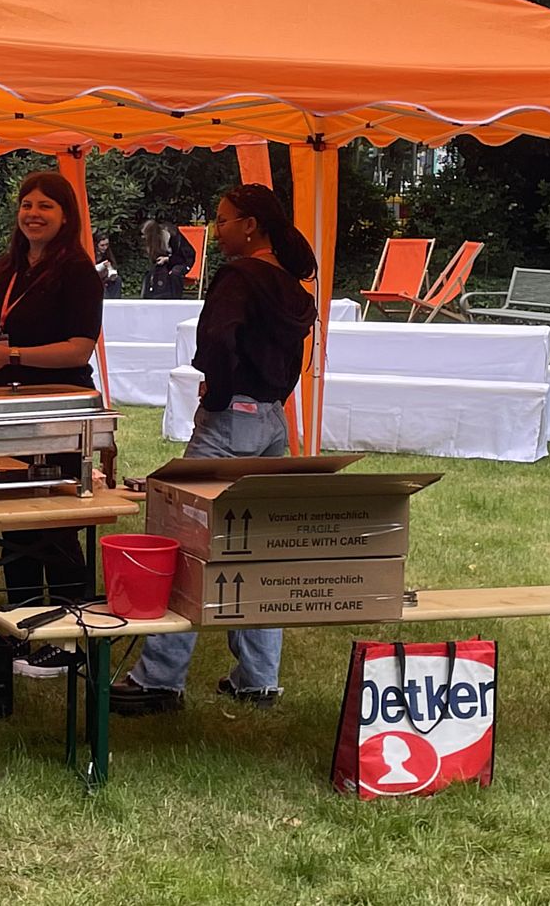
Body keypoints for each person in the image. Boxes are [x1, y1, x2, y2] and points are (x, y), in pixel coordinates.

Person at [113, 184, 318, 716]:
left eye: (225, 220)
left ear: (251, 225)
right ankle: (258, 678)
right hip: (273, 419)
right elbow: (292, 361)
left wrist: (220, 393)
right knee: (259, 548)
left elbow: (216, 342)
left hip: (231, 421)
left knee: (180, 543)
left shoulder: (240, 277)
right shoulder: (293, 288)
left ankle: (158, 679)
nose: (218, 229)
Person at [0, 172, 105, 677]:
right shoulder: (6, 270)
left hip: (61, 411)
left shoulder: (79, 273)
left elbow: (79, 347)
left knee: (55, 525)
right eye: (26, 204)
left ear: (66, 216)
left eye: (45, 205)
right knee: (13, 521)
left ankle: (72, 639)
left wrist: (11, 353)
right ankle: (25, 631)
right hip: (6, 409)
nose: (33, 213)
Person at [141, 219, 196, 299]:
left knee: (175, 273)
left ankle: (175, 298)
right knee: (152, 272)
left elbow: (183, 258)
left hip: (184, 260)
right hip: (169, 261)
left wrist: (167, 259)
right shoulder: (155, 242)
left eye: (145, 235)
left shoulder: (171, 236)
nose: (143, 237)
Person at [95, 234, 120, 298]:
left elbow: (113, 265)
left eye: (107, 245)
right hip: (97, 279)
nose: (105, 247)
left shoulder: (108, 254)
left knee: (117, 280)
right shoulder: (93, 254)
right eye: (102, 245)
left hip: (106, 278)